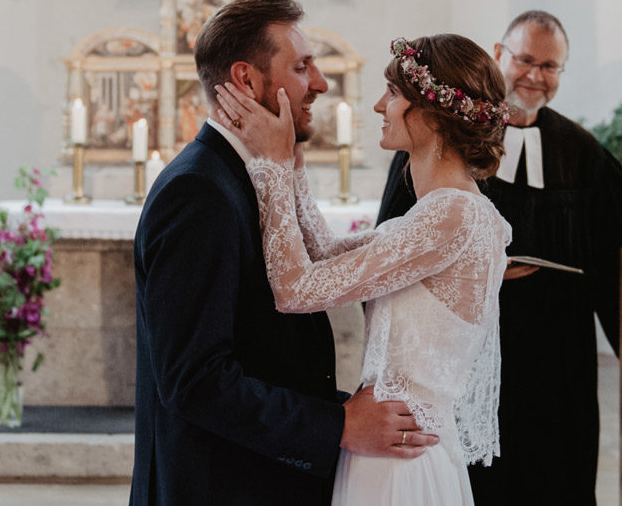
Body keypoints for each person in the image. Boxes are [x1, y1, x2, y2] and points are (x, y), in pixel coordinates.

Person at [377, 11, 622, 505]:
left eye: (550, 66)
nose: (535, 75)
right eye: (526, 59)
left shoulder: (579, 148)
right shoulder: (447, 138)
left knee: (558, 474)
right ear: (498, 54)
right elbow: (396, 236)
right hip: (477, 346)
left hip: (560, 352)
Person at [132, 0, 436, 506]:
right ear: (247, 80)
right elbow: (195, 382)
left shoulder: (250, 175)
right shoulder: (199, 193)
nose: (319, 83)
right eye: (301, 67)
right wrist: (337, 424)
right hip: (221, 488)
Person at [213, 33, 514, 505]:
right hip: (387, 445)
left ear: (432, 114)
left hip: (401, 461)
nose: (378, 106)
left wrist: (270, 167)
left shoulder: (453, 216)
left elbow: (295, 289)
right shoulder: (434, 215)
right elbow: (323, 254)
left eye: (393, 93)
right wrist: (291, 162)